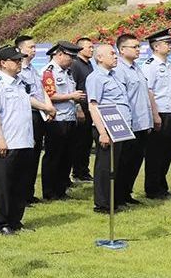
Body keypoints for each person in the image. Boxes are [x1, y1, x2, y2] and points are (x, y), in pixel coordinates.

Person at [0, 46, 34, 234]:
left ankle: (15, 220)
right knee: (3, 185)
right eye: (15, 60)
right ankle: (1, 223)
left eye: (20, 60)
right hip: (8, 142)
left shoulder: (20, 83)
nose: (19, 63)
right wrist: (0, 139)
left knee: (20, 184)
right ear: (3, 63)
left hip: (24, 141)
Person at [111, 33, 159, 206]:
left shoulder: (137, 67)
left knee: (135, 161)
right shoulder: (118, 70)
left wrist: (153, 116)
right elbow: (122, 99)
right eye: (135, 47)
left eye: (139, 46)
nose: (139, 50)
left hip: (142, 122)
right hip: (129, 123)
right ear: (122, 50)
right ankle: (116, 197)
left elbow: (145, 94)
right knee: (123, 162)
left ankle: (126, 193)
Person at [85, 43, 132, 213]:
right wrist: (103, 132)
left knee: (116, 166)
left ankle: (114, 200)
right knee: (105, 167)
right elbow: (93, 106)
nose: (115, 56)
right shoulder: (96, 77)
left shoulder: (113, 76)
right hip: (106, 126)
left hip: (120, 126)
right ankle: (102, 204)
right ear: (99, 57)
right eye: (111, 53)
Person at [39, 41, 84, 200]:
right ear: (59, 54)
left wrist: (76, 105)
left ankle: (61, 189)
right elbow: (49, 95)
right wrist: (71, 96)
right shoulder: (49, 72)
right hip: (56, 119)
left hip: (70, 117)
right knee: (54, 156)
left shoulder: (68, 72)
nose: (72, 60)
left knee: (67, 156)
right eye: (70, 57)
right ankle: (50, 192)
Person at [15, 35, 55, 204]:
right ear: (20, 50)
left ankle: (28, 193)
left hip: (39, 115)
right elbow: (25, 97)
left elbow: (41, 90)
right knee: (25, 157)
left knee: (35, 155)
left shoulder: (32, 69)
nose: (34, 50)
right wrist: (45, 107)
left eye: (34, 47)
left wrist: (49, 106)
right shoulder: (17, 72)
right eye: (30, 47)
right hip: (28, 114)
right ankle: (21, 194)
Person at [141, 29, 171, 199]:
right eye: (167, 43)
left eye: (170, 42)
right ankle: (153, 189)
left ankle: (162, 186)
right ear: (156, 46)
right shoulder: (150, 65)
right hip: (159, 113)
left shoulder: (168, 64)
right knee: (155, 153)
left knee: (166, 153)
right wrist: (155, 115)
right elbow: (149, 92)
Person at [69, 37, 96, 182]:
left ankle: (84, 171)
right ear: (80, 49)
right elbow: (73, 87)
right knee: (79, 142)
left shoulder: (89, 64)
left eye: (93, 47)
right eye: (89, 47)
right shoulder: (75, 64)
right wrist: (78, 107)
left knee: (86, 142)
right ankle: (78, 172)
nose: (92, 49)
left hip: (89, 108)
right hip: (80, 108)